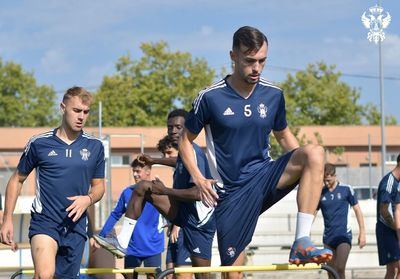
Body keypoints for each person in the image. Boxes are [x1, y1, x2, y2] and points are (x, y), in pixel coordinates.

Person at [178, 26, 332, 278]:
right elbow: (185, 140)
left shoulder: (274, 94)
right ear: (233, 56)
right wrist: (197, 176)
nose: (256, 68)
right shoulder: (210, 97)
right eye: (250, 61)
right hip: (231, 192)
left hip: (264, 175)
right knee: (233, 273)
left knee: (315, 152)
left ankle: (302, 241)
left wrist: (310, 171)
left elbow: (283, 134)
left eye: (262, 61)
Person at [0, 87, 105, 279]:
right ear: (62, 108)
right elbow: (17, 180)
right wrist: (7, 219)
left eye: (86, 112)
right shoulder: (39, 143)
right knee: (44, 275)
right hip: (45, 221)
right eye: (76, 110)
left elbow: (99, 187)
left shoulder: (95, 146)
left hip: (76, 226)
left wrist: (87, 199)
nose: (81, 116)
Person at [99, 109, 216, 279]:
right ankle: (123, 241)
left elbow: (199, 193)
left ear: (188, 127)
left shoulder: (195, 153)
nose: (173, 131)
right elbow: (177, 161)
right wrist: (155, 160)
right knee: (143, 187)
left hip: (199, 221)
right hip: (182, 212)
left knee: (201, 275)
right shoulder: (183, 151)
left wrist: (166, 191)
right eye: (170, 127)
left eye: (178, 127)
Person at [93, 159, 164, 279]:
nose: (135, 174)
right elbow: (115, 214)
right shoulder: (127, 192)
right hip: (132, 248)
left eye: (138, 171)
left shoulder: (158, 191)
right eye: (133, 171)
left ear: (148, 172)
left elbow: (170, 211)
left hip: (153, 247)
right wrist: (102, 236)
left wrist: (175, 227)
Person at [318, 163, 366, 279]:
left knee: (340, 268)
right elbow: (313, 213)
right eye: (325, 180)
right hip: (328, 238)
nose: (326, 183)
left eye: (329, 180)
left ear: (335, 176)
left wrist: (362, 233)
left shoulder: (346, 189)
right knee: (330, 271)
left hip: (343, 236)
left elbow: (357, 210)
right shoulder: (321, 193)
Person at [376, 153, 400, 279]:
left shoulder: (397, 183)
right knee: (394, 269)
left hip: (394, 231)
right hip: (387, 231)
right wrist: (396, 228)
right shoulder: (389, 182)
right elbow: (384, 211)